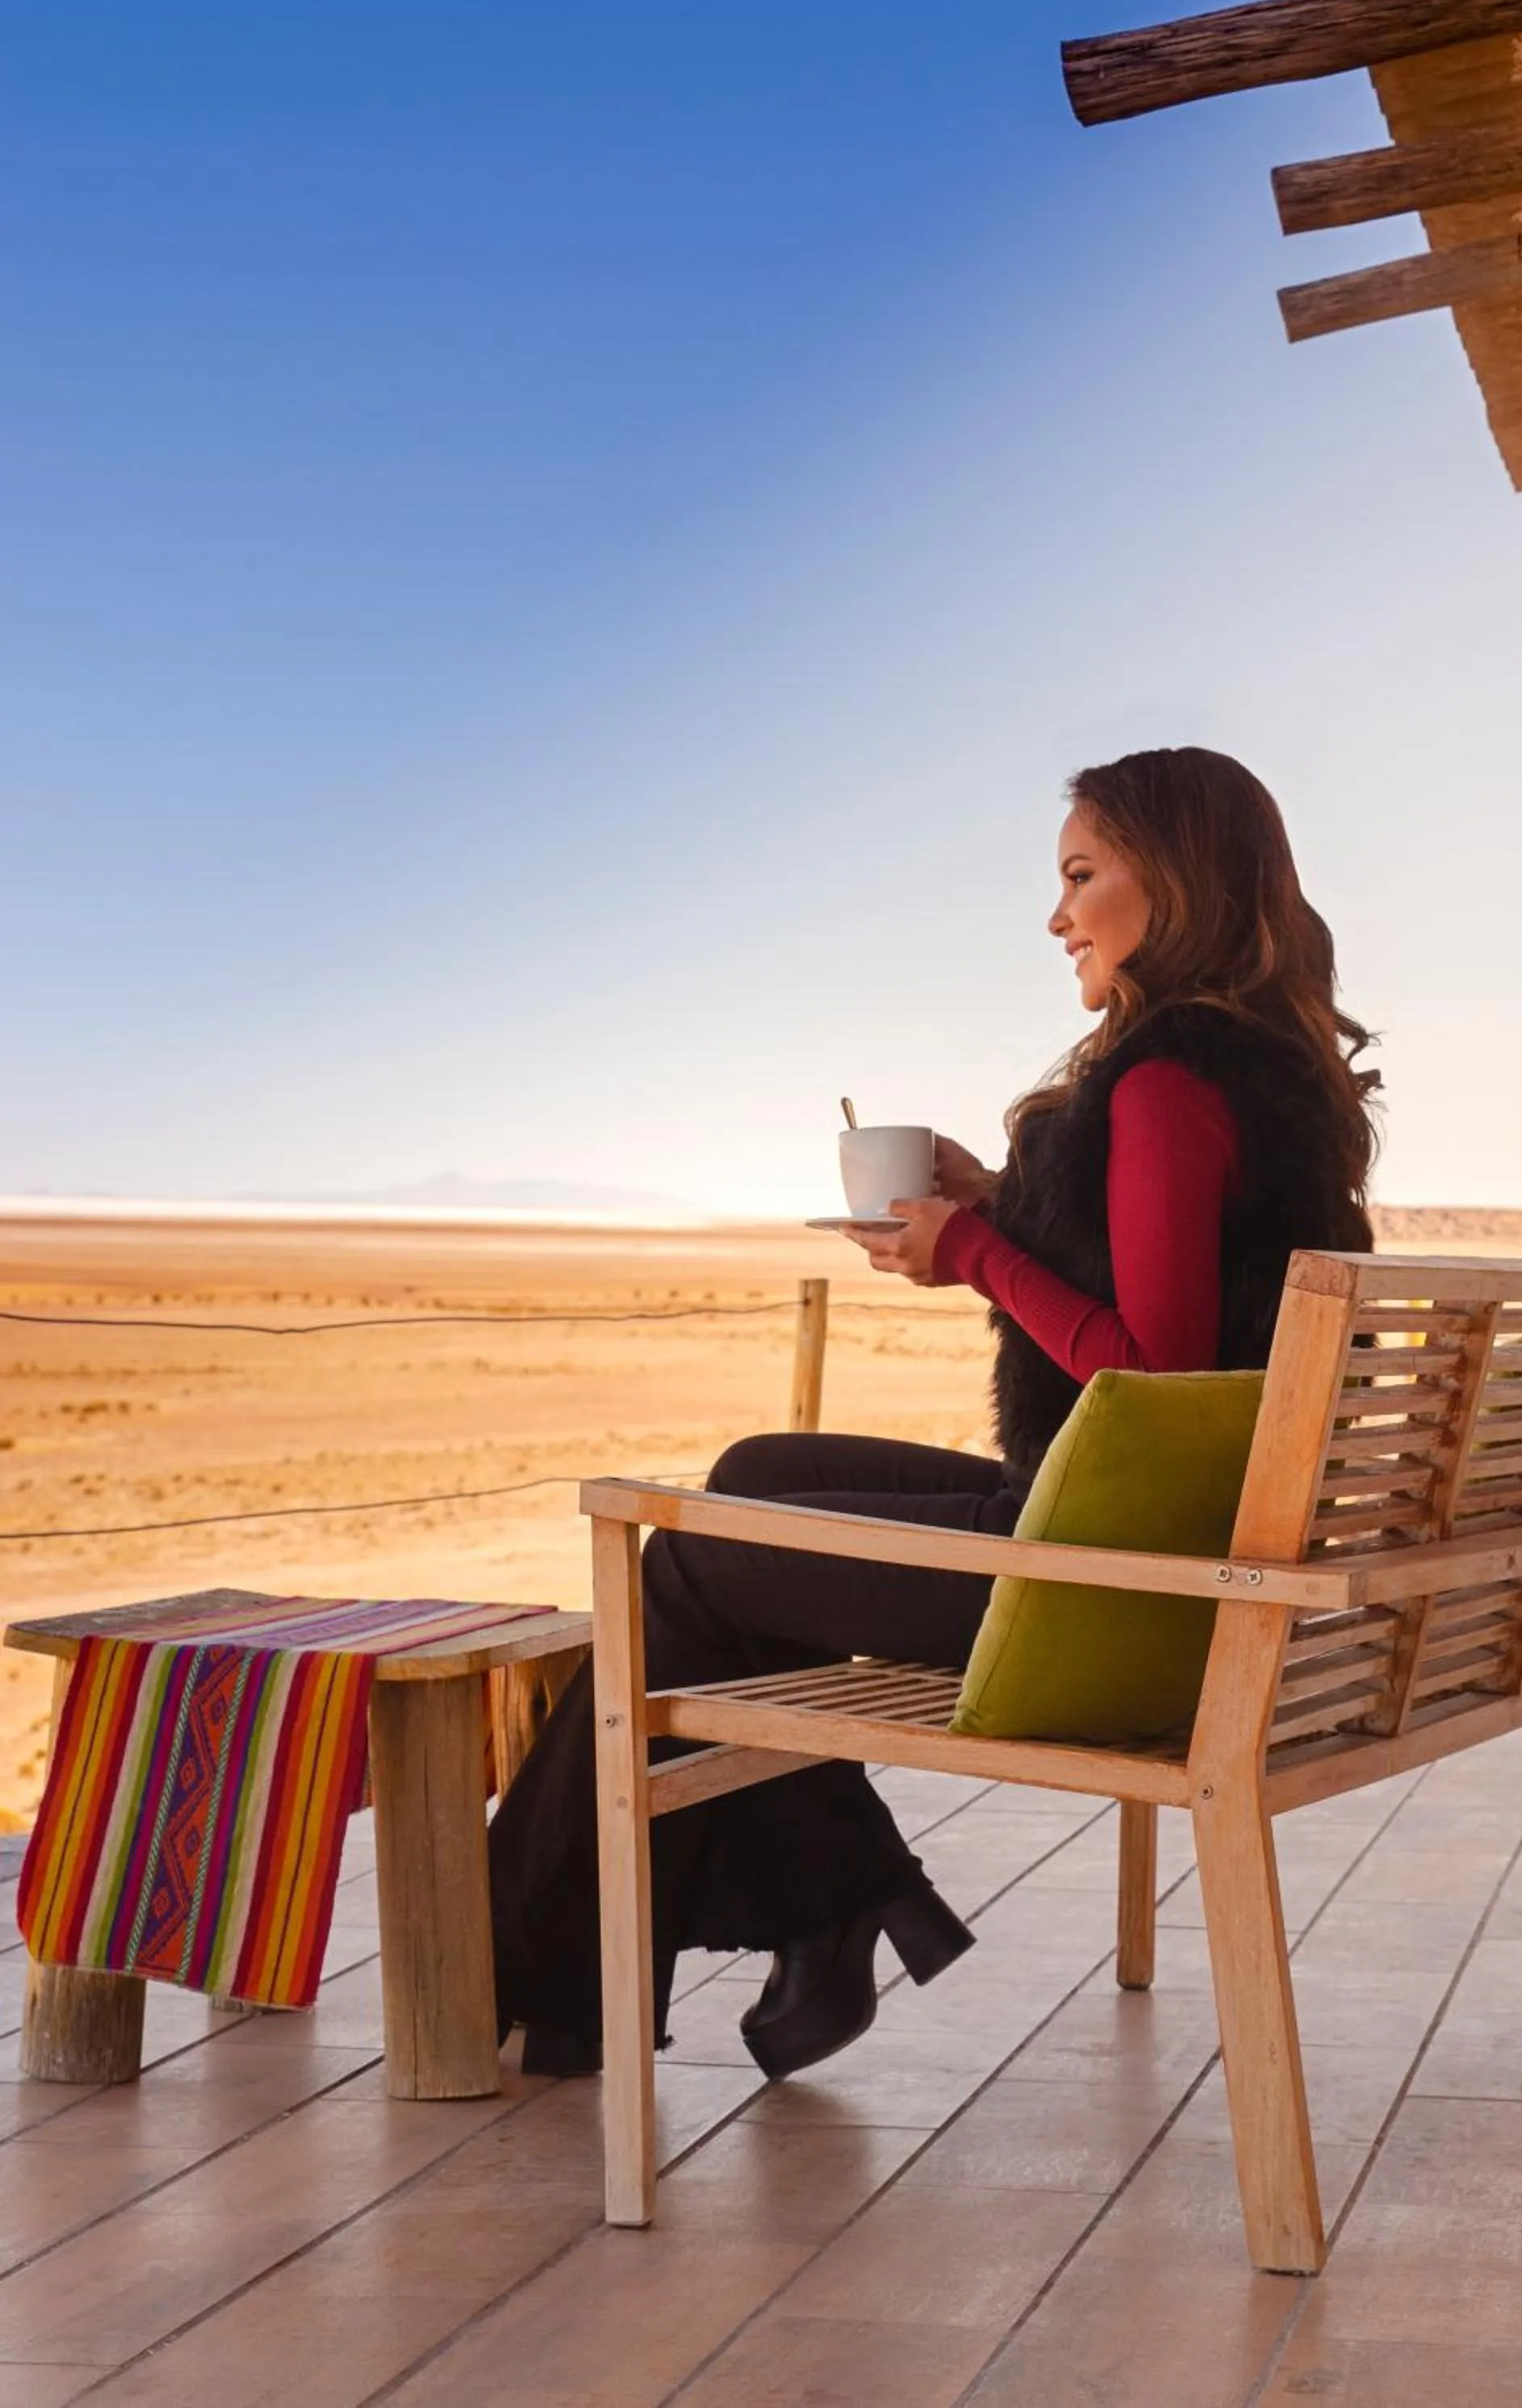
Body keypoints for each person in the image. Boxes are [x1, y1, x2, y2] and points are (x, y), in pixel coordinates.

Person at [488, 745, 1380, 2079]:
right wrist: (1006, 1210)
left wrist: (972, 1252)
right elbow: (1177, 1318)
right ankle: (821, 1898)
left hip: (1110, 1591)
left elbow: (1153, 1367)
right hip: (1173, 1549)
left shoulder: (1164, 1084)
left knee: (685, 1560)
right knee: (753, 1471)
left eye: (1082, 876)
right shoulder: (1268, 1077)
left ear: (1176, 884)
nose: (1057, 914)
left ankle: (540, 1969)